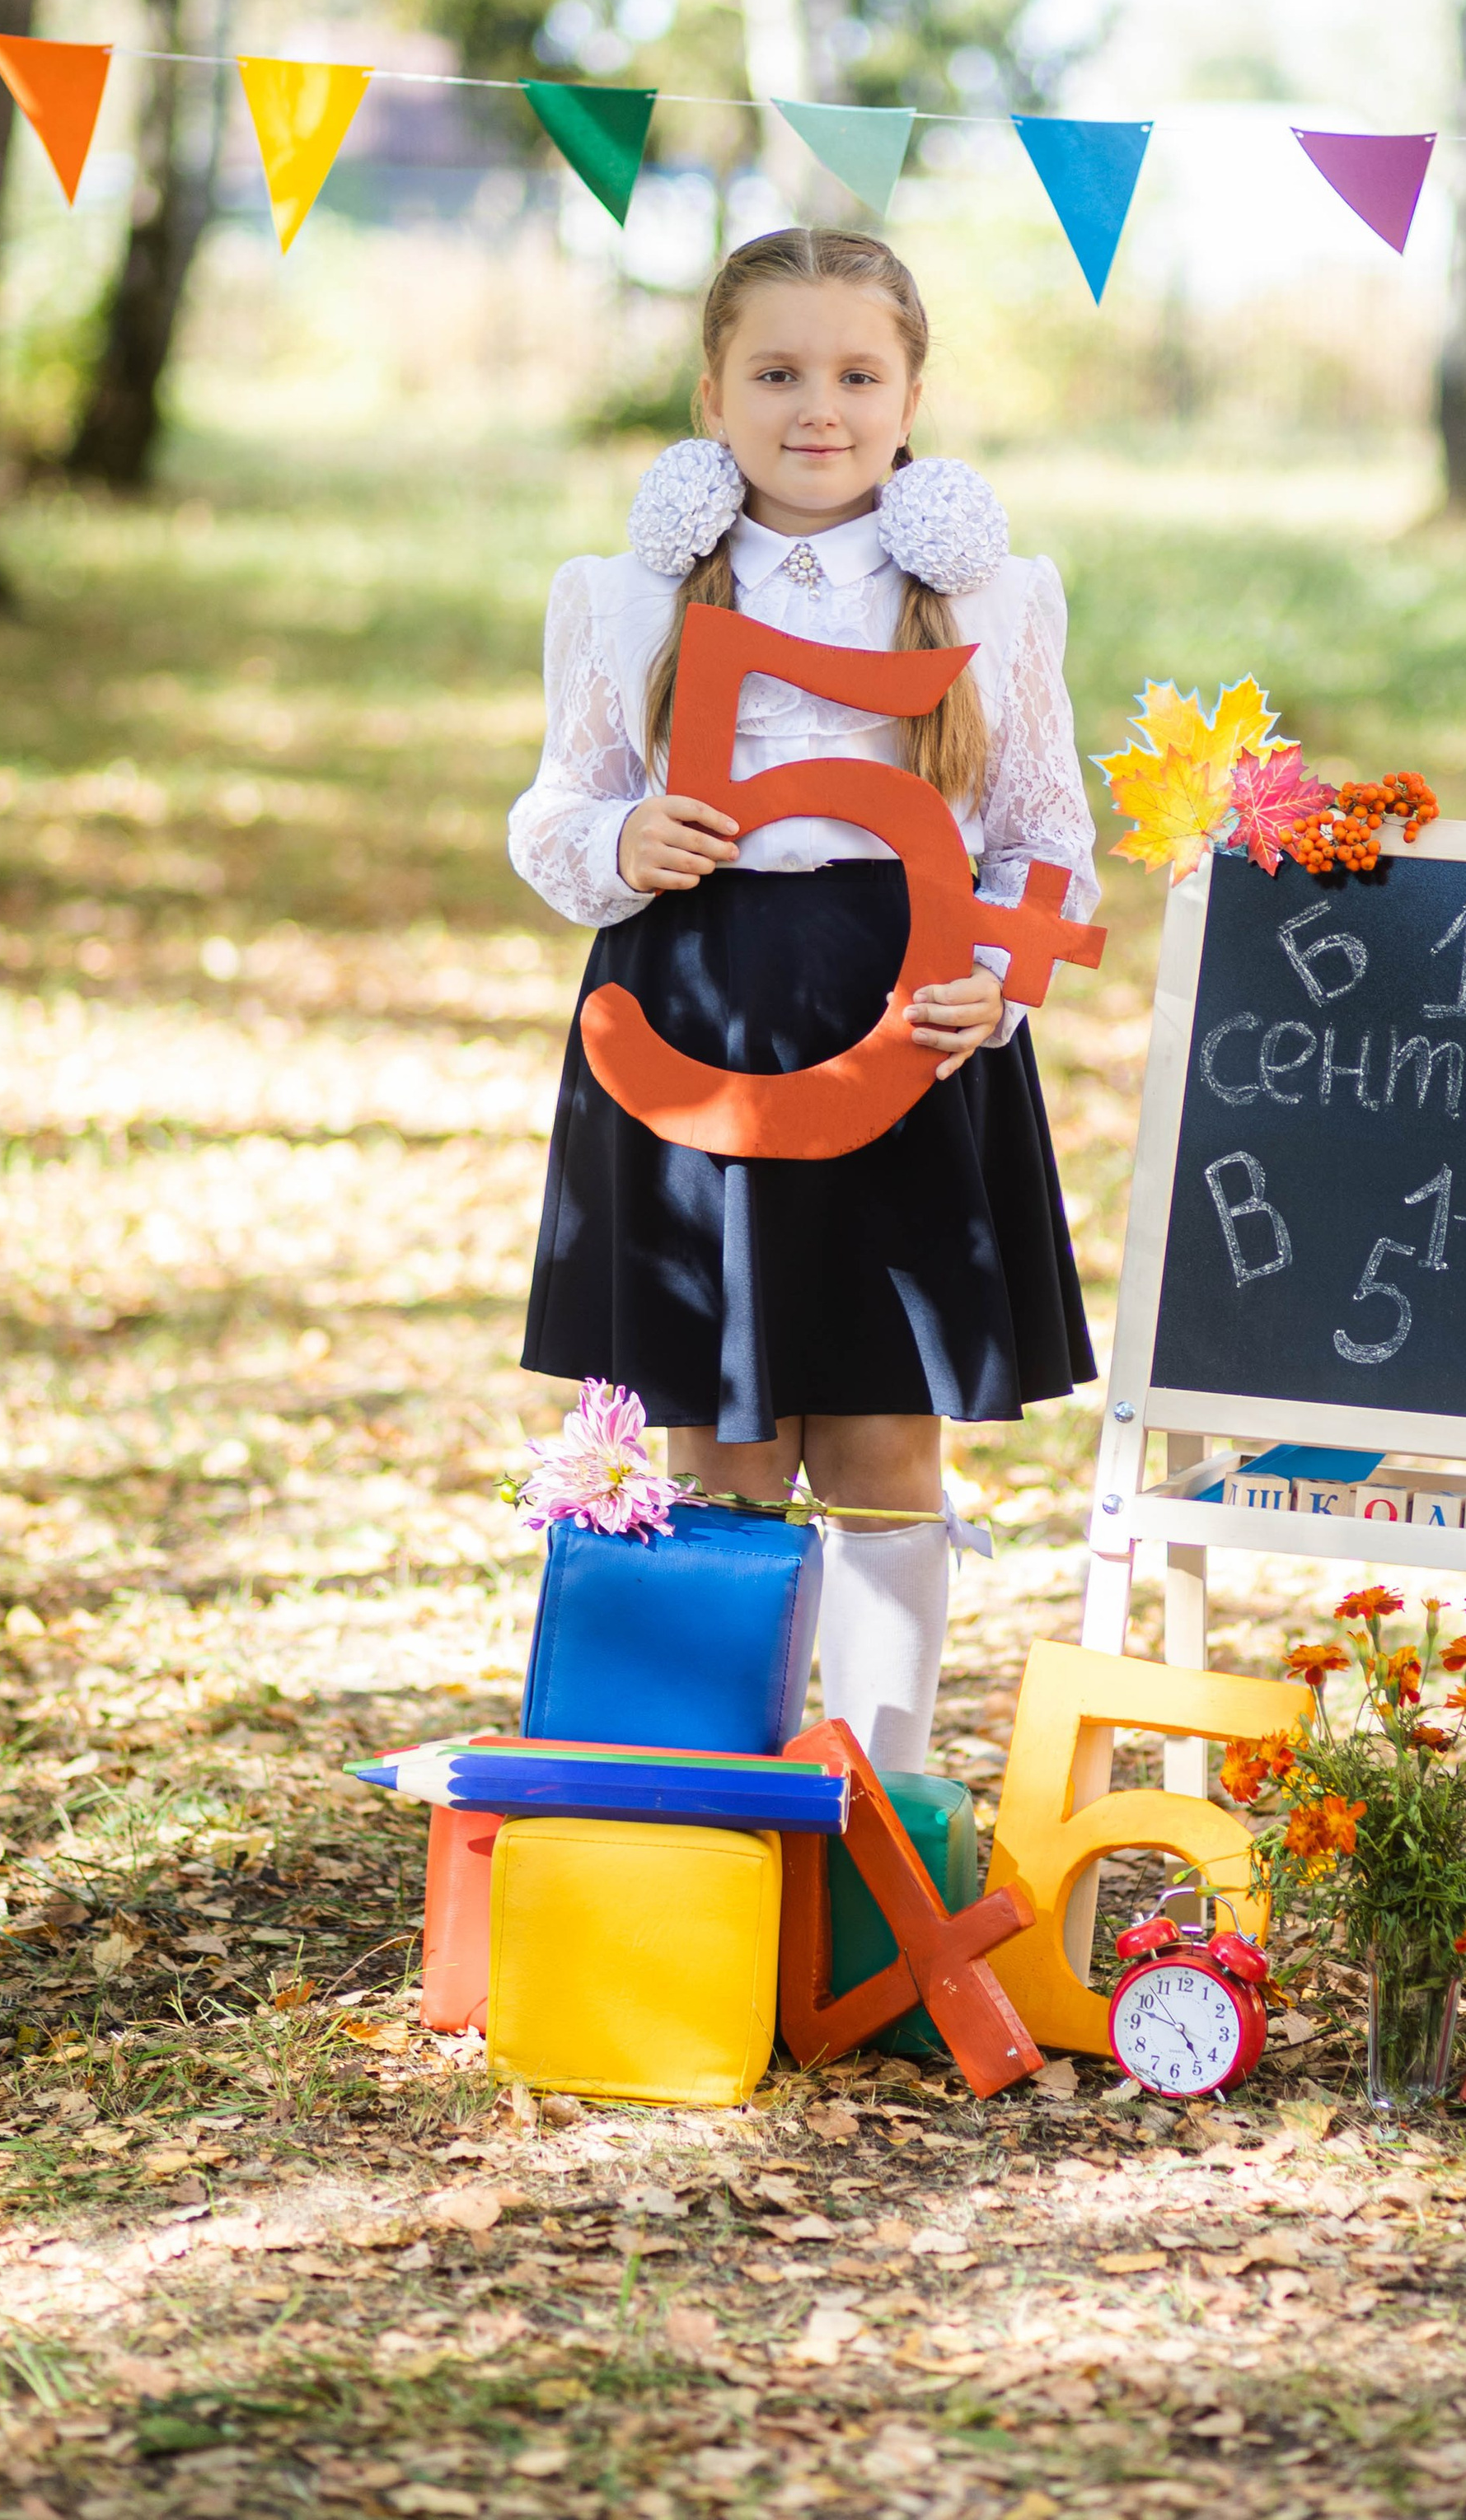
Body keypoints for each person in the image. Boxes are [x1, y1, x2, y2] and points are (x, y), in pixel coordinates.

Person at [508, 225, 1099, 1772]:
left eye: (855, 372)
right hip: (693, 1020)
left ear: (914, 396)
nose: (815, 406)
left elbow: (1048, 845)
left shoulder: (994, 598)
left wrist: (997, 988)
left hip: (908, 1033)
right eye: (776, 371)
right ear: (713, 393)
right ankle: (705, 1795)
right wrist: (618, 838)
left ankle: (883, 1791)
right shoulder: (623, 596)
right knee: (719, 1434)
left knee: (883, 1434)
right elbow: (553, 811)